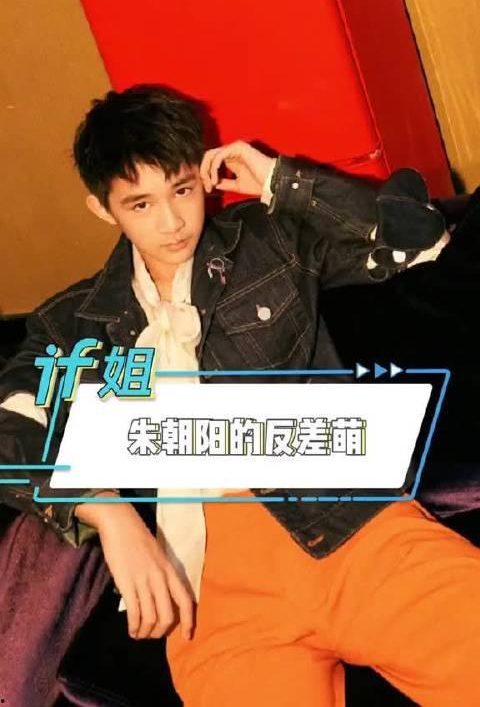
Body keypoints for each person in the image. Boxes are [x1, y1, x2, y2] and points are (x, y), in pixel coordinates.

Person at [0, 85, 478, 707]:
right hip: (213, 595)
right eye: (141, 203)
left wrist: (282, 181)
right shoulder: (75, 323)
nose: (172, 222)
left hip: (355, 528)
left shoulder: (269, 239)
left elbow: (422, 242)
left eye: (181, 190)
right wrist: (105, 511)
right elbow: (11, 435)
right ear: (102, 208)